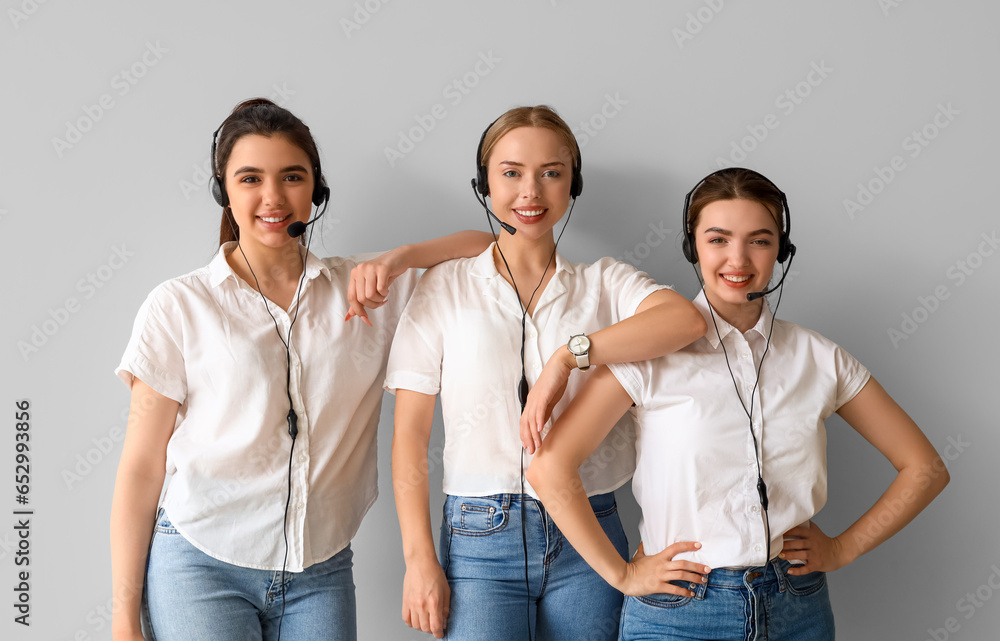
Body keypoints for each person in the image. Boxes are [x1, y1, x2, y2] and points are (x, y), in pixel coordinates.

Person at [109, 98, 494, 641]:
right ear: (225, 190)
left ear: (316, 189)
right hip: (200, 562)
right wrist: (124, 616)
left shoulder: (365, 289)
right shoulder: (178, 305)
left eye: (292, 177)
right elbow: (141, 467)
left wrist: (399, 257)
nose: (273, 198)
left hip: (321, 569)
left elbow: (493, 252)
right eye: (250, 179)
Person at [526, 167, 950, 640]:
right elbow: (548, 467)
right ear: (693, 247)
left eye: (760, 241)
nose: (738, 259)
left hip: (797, 607)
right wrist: (621, 575)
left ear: (781, 251)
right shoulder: (646, 358)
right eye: (718, 239)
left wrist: (843, 549)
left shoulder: (820, 358)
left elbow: (925, 468)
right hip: (681, 612)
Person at [385, 105, 708, 640]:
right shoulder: (443, 287)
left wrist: (570, 355)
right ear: (483, 184)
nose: (530, 191)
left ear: (572, 184)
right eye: (511, 172)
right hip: (478, 536)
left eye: (550, 173)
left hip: (589, 527)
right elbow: (408, 440)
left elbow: (685, 320)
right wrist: (419, 559)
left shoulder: (605, 284)